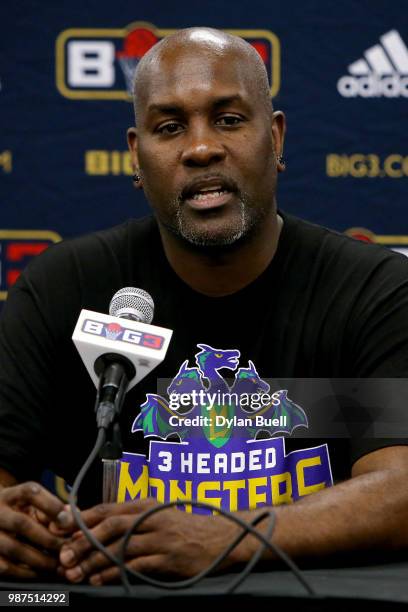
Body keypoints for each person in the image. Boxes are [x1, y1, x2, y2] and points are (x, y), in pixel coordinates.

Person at [1, 27, 408, 586]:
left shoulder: (372, 290)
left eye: (229, 119)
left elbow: (401, 490)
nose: (200, 149)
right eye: (169, 128)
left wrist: (228, 536)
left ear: (277, 137)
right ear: (135, 156)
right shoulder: (64, 287)